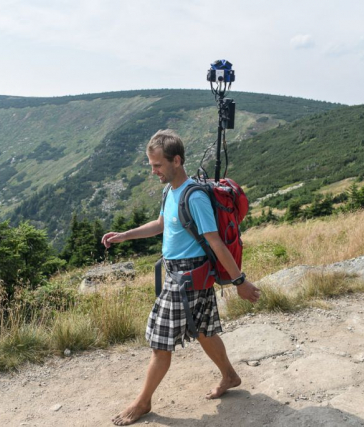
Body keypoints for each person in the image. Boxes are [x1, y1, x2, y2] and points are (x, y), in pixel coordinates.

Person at [101, 129, 261, 426]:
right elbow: (161, 224)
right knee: (204, 331)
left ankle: (143, 402)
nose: (154, 171)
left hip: (187, 278)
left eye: (157, 165)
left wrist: (240, 283)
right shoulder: (170, 192)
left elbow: (216, 242)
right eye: (151, 165)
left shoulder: (194, 197)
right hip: (180, 274)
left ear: (176, 161)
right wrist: (125, 236)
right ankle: (230, 375)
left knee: (160, 343)